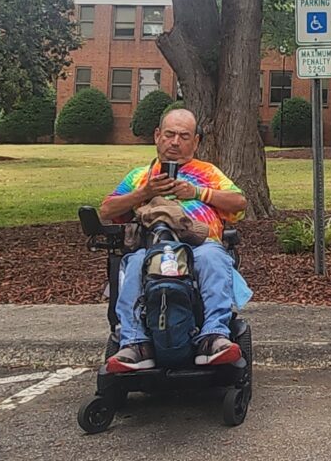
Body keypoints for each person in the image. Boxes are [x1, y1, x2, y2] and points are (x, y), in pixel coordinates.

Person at [100, 108, 248, 372]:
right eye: (169, 134)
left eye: (184, 136)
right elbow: (107, 210)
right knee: (134, 264)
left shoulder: (208, 172)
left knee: (213, 257)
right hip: (151, 249)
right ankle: (135, 343)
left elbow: (239, 203)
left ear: (196, 142)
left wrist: (198, 192)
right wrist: (143, 193)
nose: (175, 142)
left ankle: (214, 336)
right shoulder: (140, 176)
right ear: (157, 136)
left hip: (199, 246)